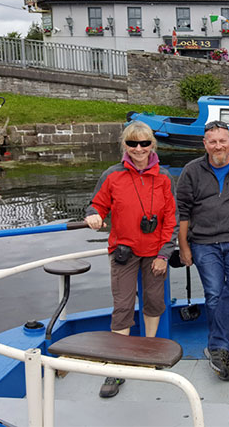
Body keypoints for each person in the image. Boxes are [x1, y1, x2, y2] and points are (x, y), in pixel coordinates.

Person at [84, 121, 177, 398]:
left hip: (155, 252)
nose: (139, 149)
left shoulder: (164, 177)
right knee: (123, 305)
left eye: (144, 143)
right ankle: (117, 365)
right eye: (133, 143)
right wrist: (93, 214)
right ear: (125, 145)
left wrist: (164, 254)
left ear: (153, 145)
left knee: (153, 300)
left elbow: (172, 218)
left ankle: (149, 352)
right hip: (123, 250)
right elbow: (97, 204)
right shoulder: (112, 175)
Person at [176, 120, 229, 381]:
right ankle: (222, 349)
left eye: (223, 140)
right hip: (203, 242)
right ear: (205, 144)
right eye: (213, 141)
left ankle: (220, 346)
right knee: (213, 294)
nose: (218, 146)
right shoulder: (191, 171)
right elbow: (183, 213)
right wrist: (184, 247)